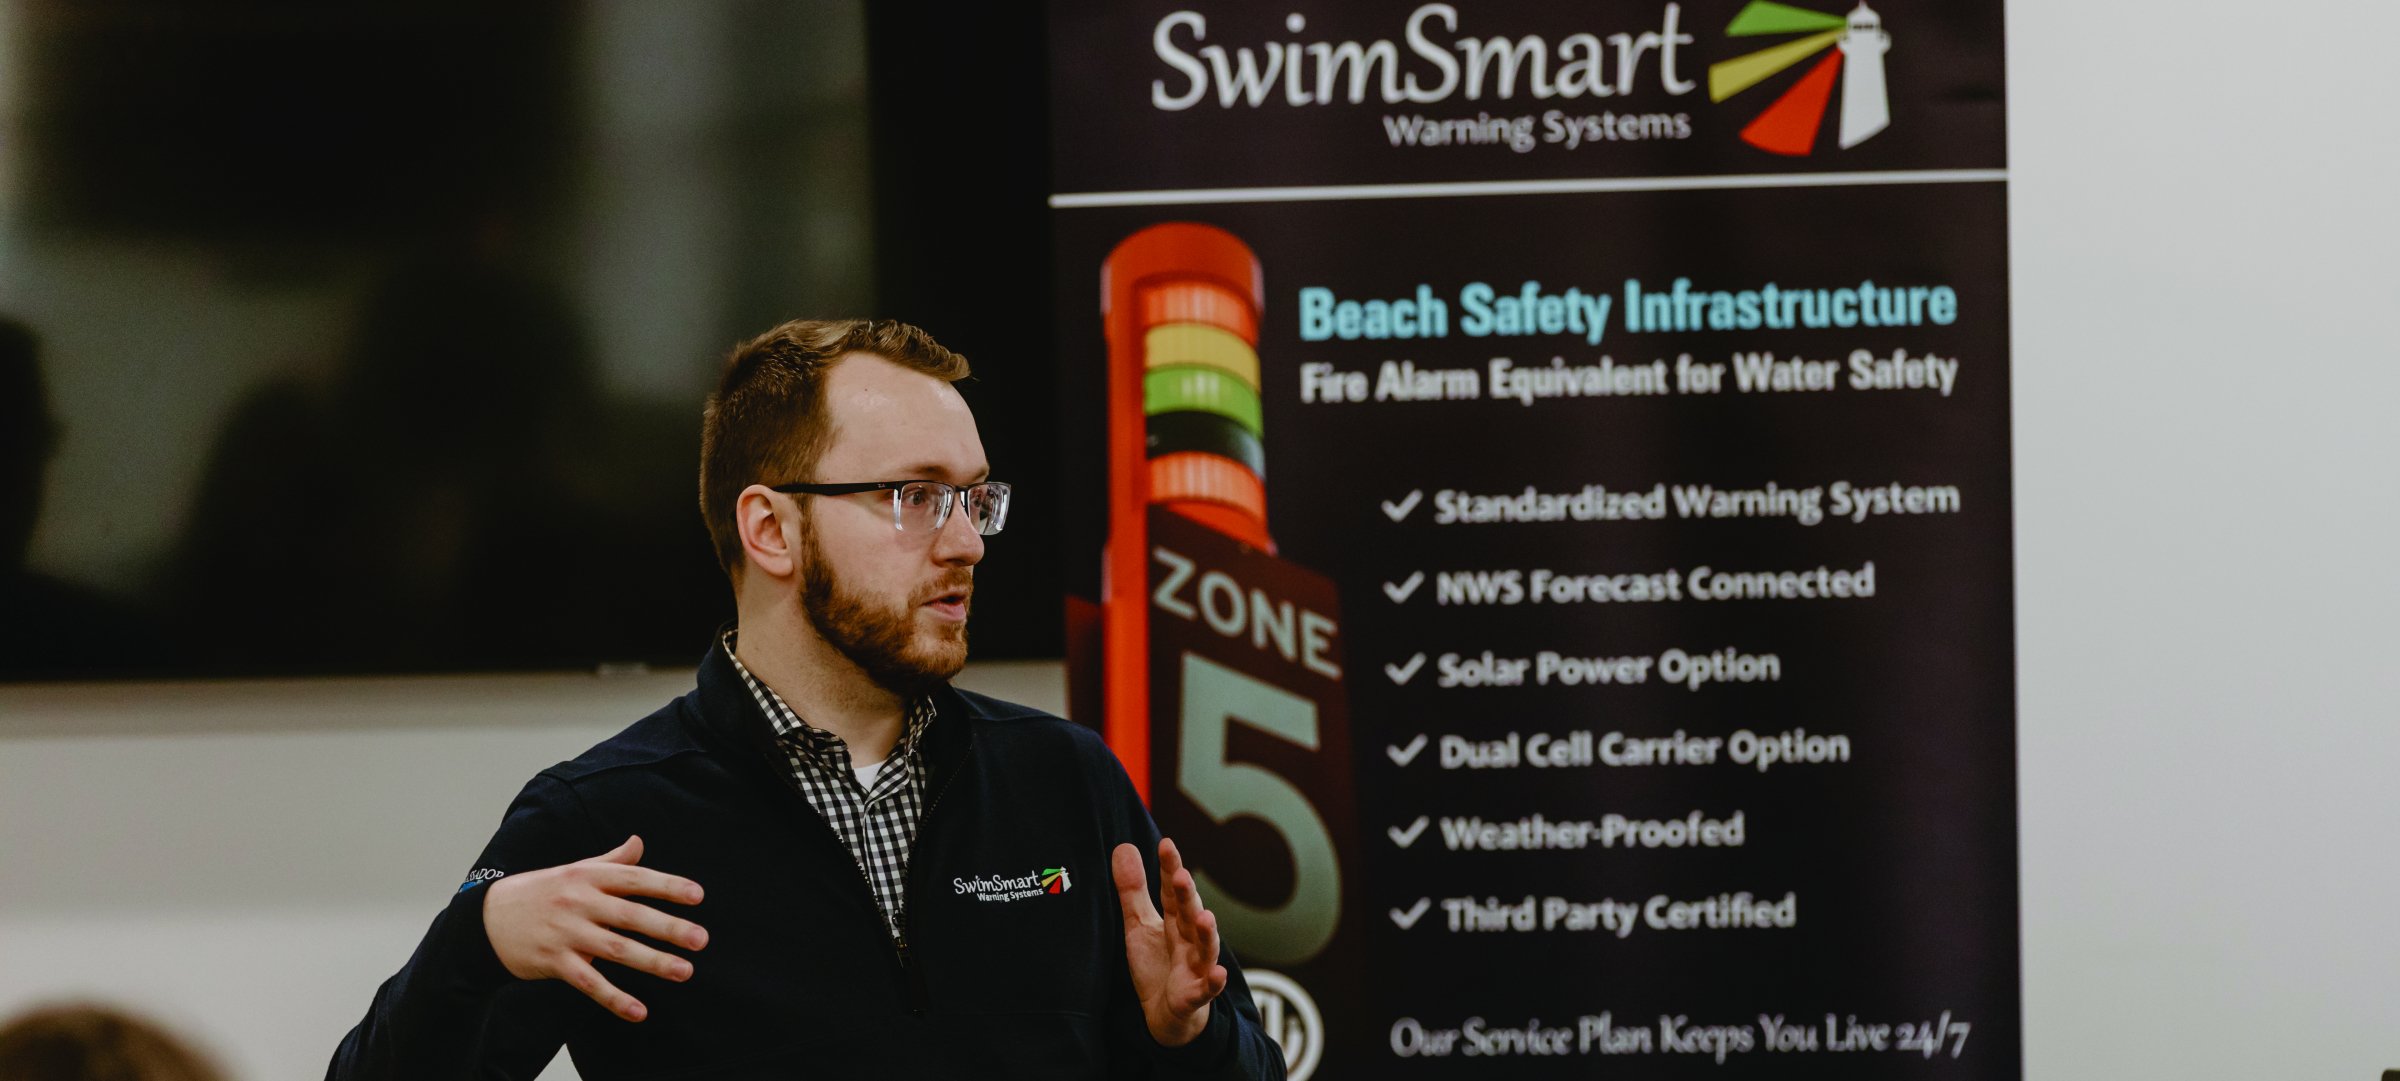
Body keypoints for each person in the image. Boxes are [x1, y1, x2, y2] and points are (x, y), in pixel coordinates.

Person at [326, 319, 1285, 1080]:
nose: (967, 545)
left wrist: (1183, 1038)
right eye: (914, 496)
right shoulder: (607, 819)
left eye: (977, 499)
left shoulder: (1065, 781)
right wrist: (479, 943)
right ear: (771, 529)